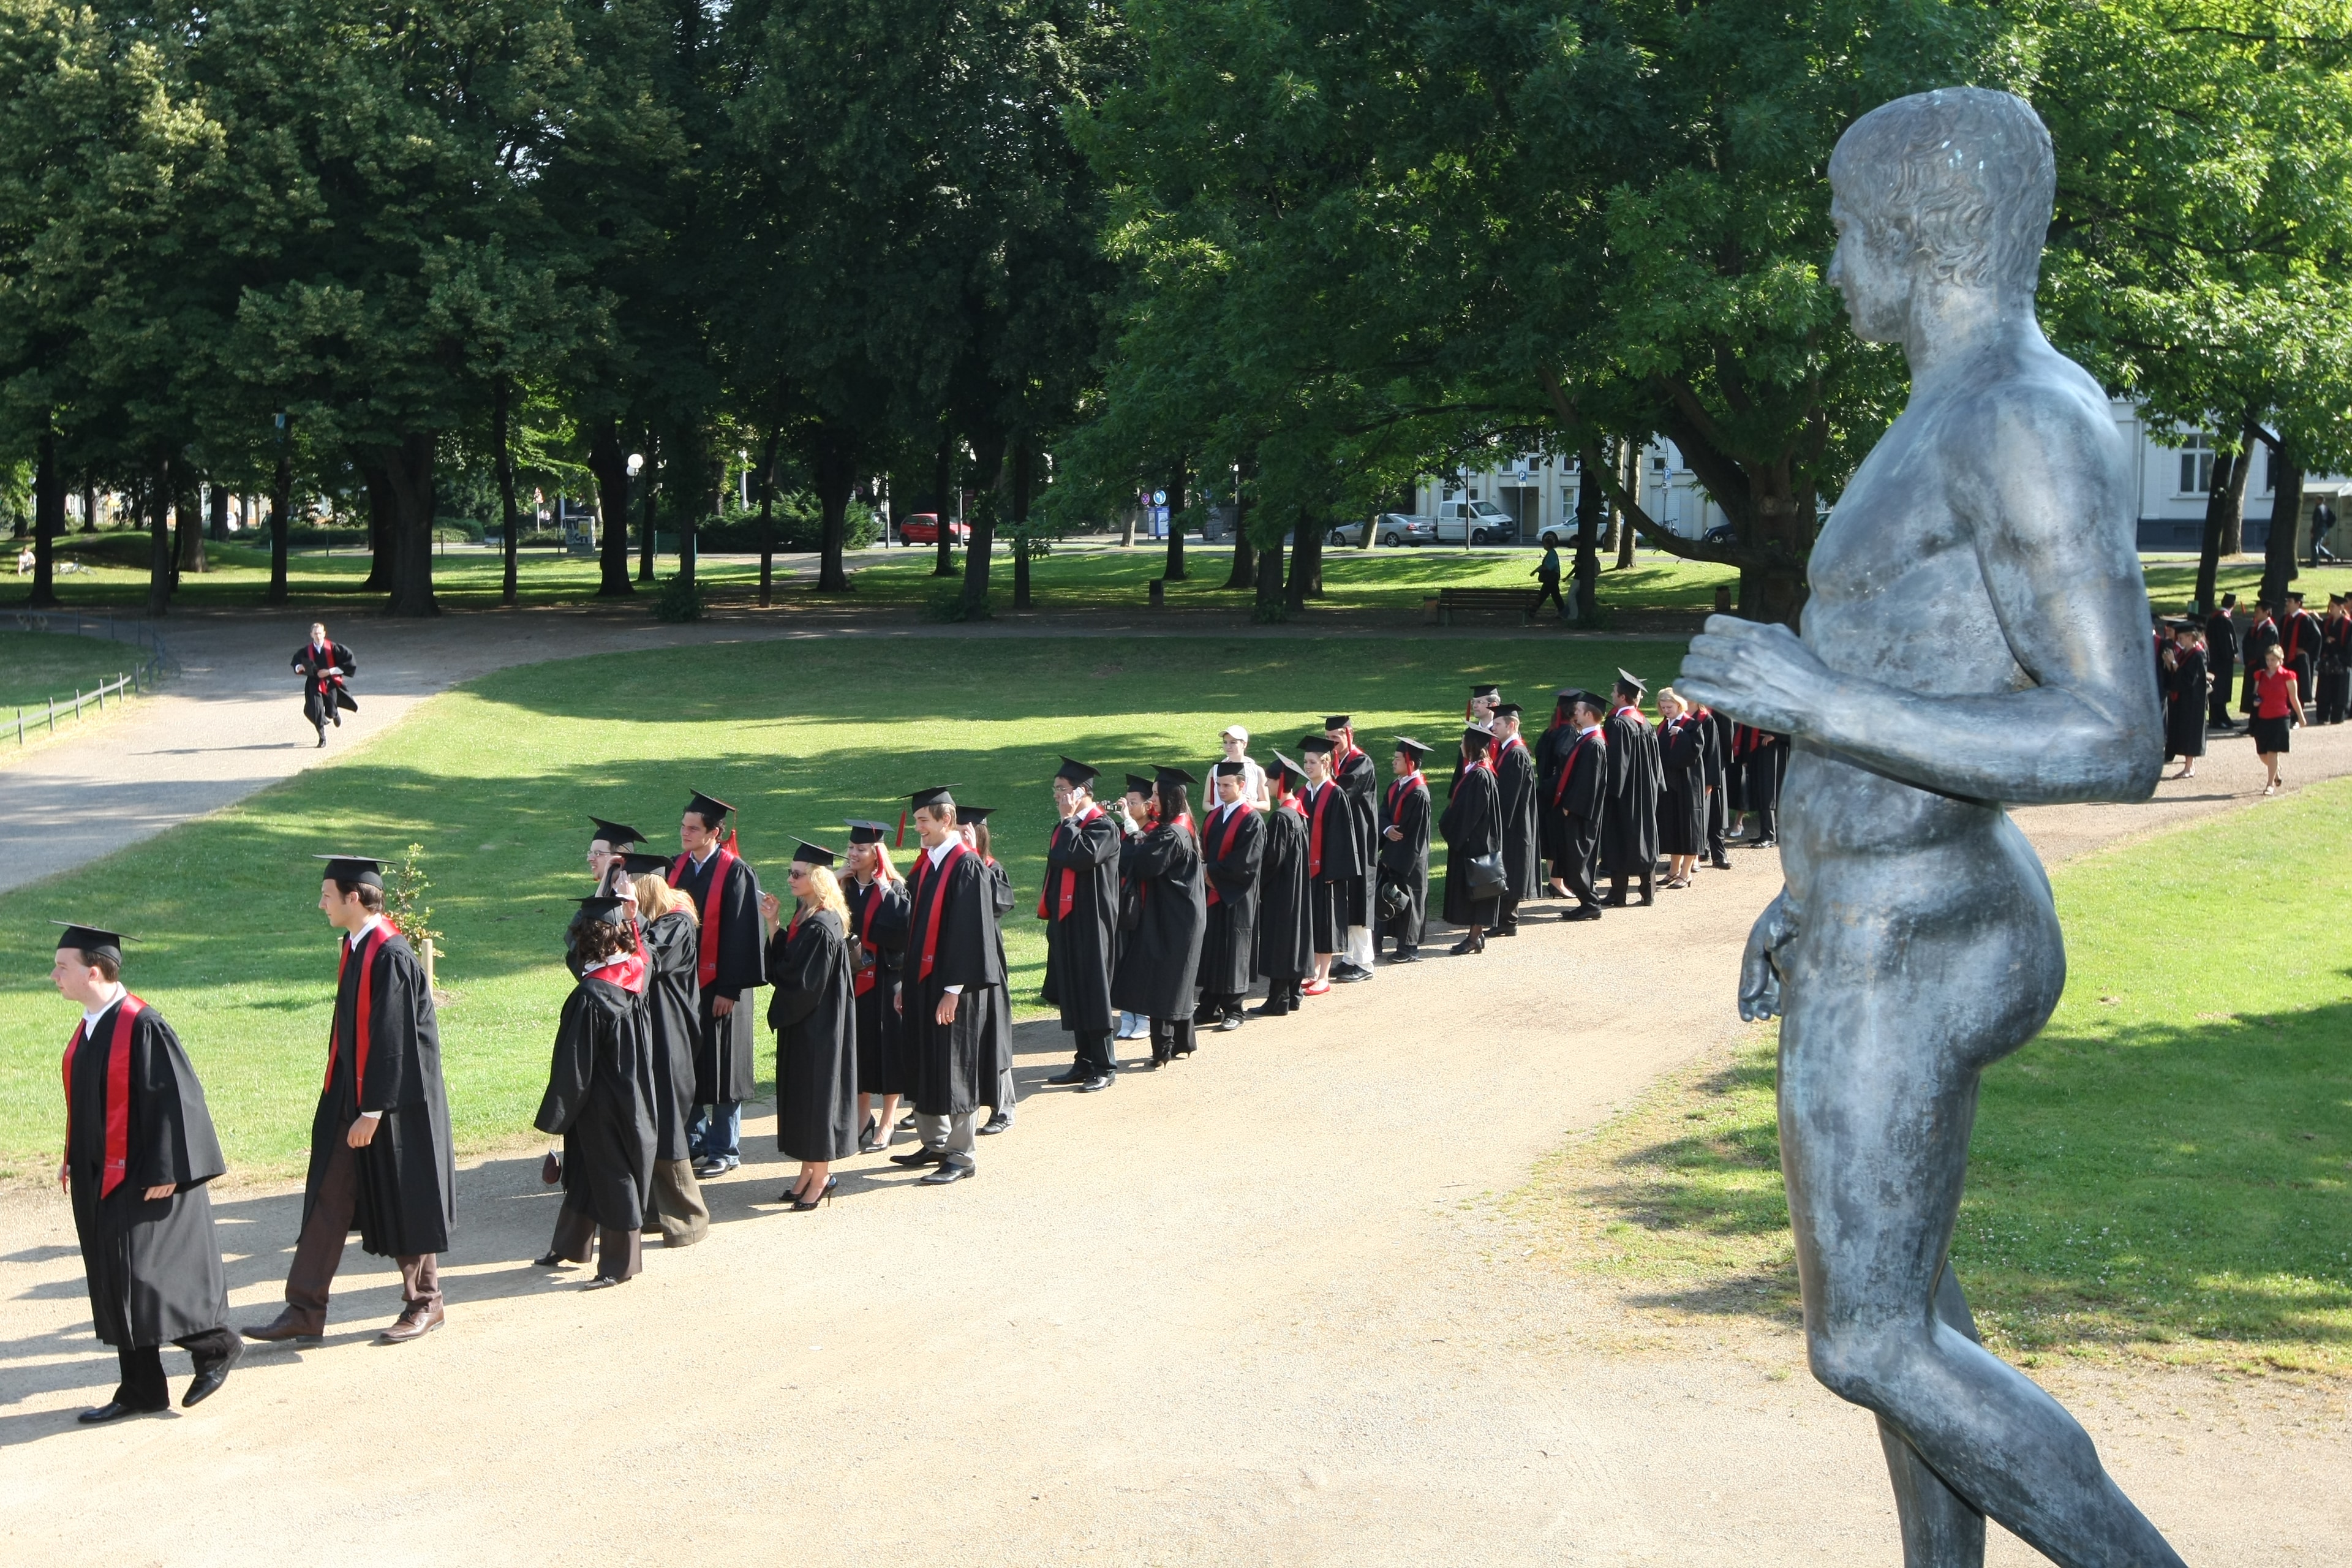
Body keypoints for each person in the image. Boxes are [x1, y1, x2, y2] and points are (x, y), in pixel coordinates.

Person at [1678, 86, 2185, 1562]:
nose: (1833, 266)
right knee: (1913, 1304)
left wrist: (1808, 701)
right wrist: (1805, 879)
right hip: (1868, 910)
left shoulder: (2021, 419)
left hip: (1925, 929)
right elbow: (1934, 655)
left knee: (1872, 1340)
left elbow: (2109, 734)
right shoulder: (1952, 409)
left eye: (1841, 231)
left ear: (1913, 233)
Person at [246, 856, 454, 1346]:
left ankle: (427, 1301)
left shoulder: (392, 955)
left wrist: (372, 1111)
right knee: (328, 1197)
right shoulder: (356, 945)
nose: (321, 904)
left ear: (353, 898)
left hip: (394, 1103)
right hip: (352, 1093)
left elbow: (393, 1039)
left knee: (406, 1197)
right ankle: (304, 1308)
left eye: (327, 895)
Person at [53, 921, 239, 1422]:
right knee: (115, 1278)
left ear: (93, 971)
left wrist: (170, 1169)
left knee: (146, 1277)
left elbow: (177, 1102)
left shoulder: (142, 1025)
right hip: (101, 1173)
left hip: (146, 1176)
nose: (54, 975)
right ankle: (140, 1388)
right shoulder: (92, 1024)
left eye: (62, 967)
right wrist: (75, 1150)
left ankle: (216, 1345)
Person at [532, 897, 657, 1287]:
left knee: (611, 1171)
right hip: (631, 1088)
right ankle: (571, 1244)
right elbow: (644, 951)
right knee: (585, 1167)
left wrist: (558, 1112)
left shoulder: (591, 997)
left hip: (602, 1098)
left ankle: (620, 1264)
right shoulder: (634, 971)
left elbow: (576, 1062)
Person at [888, 788, 1003, 1185]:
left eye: (923, 820)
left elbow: (969, 934)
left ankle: (961, 1155)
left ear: (946, 820)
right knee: (924, 1060)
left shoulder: (965, 866)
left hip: (956, 988)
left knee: (955, 1067)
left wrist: (953, 990)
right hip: (923, 982)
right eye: (917, 820)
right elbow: (914, 930)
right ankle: (935, 1143)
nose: (917, 827)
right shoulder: (929, 865)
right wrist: (906, 983)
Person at [666, 791, 766, 1178]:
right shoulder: (675, 870)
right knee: (685, 1062)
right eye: (683, 826)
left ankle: (725, 1148)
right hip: (683, 989)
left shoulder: (736, 871)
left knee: (724, 1068)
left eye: (693, 828)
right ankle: (694, 1142)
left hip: (725, 989)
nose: (685, 833)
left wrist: (729, 989)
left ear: (715, 833)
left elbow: (743, 935)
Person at [760, 843, 859, 1210]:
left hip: (820, 1027)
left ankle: (821, 1178)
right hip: (807, 1023)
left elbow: (800, 981)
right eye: (790, 872)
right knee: (803, 1097)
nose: (790, 879)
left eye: (797, 874)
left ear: (818, 878)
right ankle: (807, 1172)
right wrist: (773, 922)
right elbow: (785, 961)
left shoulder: (823, 923)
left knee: (817, 1099)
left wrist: (781, 1007)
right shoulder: (807, 915)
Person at [622, 851, 709, 1246]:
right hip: (651, 1032)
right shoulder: (661, 919)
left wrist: (632, 915)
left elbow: (648, 959)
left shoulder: (677, 922)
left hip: (672, 1037)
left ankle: (689, 1219)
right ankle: (653, 1213)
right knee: (649, 1122)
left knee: (669, 1125)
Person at [1113, 767, 1208, 1066]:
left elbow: (1145, 864)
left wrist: (1124, 844)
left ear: (1170, 797)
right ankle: (1182, 1042)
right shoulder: (1183, 826)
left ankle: (1163, 1049)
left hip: (1174, 919)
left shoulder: (1172, 833)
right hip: (1179, 914)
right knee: (1176, 981)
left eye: (1156, 794)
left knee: (1163, 982)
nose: (1152, 799)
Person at [1040, 758, 1121, 1092]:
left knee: (1095, 992)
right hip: (1067, 920)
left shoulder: (1104, 827)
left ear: (1082, 792)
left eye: (1062, 790)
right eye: (1056, 790)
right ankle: (1083, 1060)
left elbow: (1081, 856)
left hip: (1094, 921)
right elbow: (1057, 863)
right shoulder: (1064, 827)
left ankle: (1104, 1064)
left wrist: (1069, 822)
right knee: (1074, 989)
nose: (1058, 796)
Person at [840, 822, 911, 1150]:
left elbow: (901, 935)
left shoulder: (895, 888)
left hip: (885, 981)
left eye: (860, 849)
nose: (853, 854)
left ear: (876, 853)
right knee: (859, 1048)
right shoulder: (844, 886)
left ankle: (888, 1120)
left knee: (890, 1051)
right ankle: (863, 1116)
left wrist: (884, 893)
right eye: (851, 848)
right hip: (852, 982)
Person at [959, 807, 1021, 1131]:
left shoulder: (991, 869)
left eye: (963, 832)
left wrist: (973, 860)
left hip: (988, 963)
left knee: (994, 1034)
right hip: (958, 963)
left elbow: (996, 906)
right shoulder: (949, 868)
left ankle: (1004, 1108)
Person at [1195, 760, 1266, 1025]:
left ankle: (1234, 1009)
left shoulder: (1251, 818)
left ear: (1241, 785)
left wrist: (1211, 874)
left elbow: (1247, 862)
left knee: (1235, 951)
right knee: (1212, 949)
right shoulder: (1214, 816)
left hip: (1238, 896)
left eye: (1227, 785)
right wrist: (1205, 871)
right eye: (1218, 785)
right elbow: (1200, 848)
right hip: (1213, 895)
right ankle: (1208, 1005)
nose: (1221, 790)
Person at [1295, 737, 1363, 995]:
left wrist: (1333, 872)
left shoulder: (1334, 794)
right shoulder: (1303, 794)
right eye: (1305, 762)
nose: (1308, 766)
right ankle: (1311, 971)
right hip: (1307, 870)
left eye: (1312, 762)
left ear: (1325, 763)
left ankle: (1324, 976)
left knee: (1325, 923)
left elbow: (1342, 837)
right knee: (1312, 922)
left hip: (1327, 873)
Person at [1253, 752, 1314, 1015]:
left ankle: (1278, 1000)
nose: (1266, 786)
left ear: (1280, 781)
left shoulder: (1281, 818)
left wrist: (1257, 881)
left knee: (1280, 942)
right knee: (1294, 940)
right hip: (1297, 888)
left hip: (1281, 891)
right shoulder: (1298, 814)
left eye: (1269, 780)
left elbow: (1272, 859)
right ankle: (1294, 994)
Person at [1322, 716, 1380, 981]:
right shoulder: (1338, 763)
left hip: (1361, 840)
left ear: (1349, 735)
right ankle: (1350, 957)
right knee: (1347, 898)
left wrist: (1323, 782)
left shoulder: (1361, 762)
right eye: (1329, 738)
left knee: (1359, 899)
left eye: (1337, 737)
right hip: (1346, 841)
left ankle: (1365, 962)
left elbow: (1342, 793)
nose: (1332, 742)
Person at [1438, 725, 1502, 954]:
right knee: (1476, 889)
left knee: (1479, 889)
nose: (1460, 746)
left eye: (1463, 741)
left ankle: (1474, 937)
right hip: (1476, 839)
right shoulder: (1479, 771)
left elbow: (1467, 812)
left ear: (1472, 746)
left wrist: (1447, 824)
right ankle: (1477, 934)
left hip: (1477, 843)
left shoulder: (1480, 775)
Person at [1600, 671, 1662, 905]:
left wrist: (1610, 791)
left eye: (1614, 692)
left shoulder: (1618, 723)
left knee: (1619, 837)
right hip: (1645, 792)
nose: (1611, 695)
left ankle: (1619, 893)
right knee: (1645, 836)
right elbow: (1656, 761)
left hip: (1624, 793)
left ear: (1623, 697)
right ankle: (1648, 892)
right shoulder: (1644, 722)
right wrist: (1657, 787)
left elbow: (1618, 762)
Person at [1549, 692, 1610, 921]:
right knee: (1572, 859)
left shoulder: (1594, 743)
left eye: (1579, 709)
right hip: (1573, 809)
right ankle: (1587, 902)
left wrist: (1571, 807)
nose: (1574, 712)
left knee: (1578, 860)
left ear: (1589, 714)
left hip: (1581, 812)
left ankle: (1591, 903)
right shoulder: (1584, 738)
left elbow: (1588, 782)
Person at [1375, 737, 1432, 961]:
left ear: (1410, 762)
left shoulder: (1419, 793)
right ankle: (1382, 942)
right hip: (1393, 853)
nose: (1393, 762)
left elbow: (1413, 833)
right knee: (1389, 898)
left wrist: (1397, 859)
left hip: (1411, 857)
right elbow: (1382, 815)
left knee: (1411, 900)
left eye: (1398, 759)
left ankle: (1409, 948)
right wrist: (1387, 829)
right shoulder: (1395, 786)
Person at [1112, 772, 1157, 1042]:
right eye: (1126, 801)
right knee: (1124, 959)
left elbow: (1137, 859)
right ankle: (1128, 1015)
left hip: (1145, 904)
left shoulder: (1153, 831)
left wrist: (1131, 831)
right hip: (1123, 903)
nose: (1128, 807)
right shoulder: (1121, 830)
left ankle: (1145, 1016)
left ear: (1147, 805)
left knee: (1142, 961)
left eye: (1133, 802)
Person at [1489, 703, 1539, 934]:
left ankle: (1508, 921)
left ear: (1512, 725)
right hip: (1512, 819)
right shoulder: (1508, 750)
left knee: (1511, 866)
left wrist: (1498, 822)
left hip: (1514, 822)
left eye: (1498, 724)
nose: (1493, 727)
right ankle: (1505, 919)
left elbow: (1510, 794)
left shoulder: (1516, 753)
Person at [1654, 687, 1708, 888]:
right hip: (1669, 783)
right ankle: (1673, 870)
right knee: (1673, 826)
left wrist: (1682, 734)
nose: (1666, 710)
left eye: (1669, 706)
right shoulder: (1662, 726)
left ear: (1679, 705)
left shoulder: (1693, 726)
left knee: (1688, 827)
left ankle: (1686, 873)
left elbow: (1695, 751)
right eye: (1663, 707)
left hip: (1688, 783)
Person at [1534, 692, 1578, 899]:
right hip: (1558, 792)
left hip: (1545, 789)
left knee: (1551, 838)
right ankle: (1558, 882)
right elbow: (1565, 758)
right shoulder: (1569, 732)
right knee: (1560, 838)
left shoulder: (1550, 730)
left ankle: (1555, 881)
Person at [2250, 641, 2307, 794]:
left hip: (2280, 717)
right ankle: (2276, 770)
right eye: (2268, 660)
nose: (2270, 663)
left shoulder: (2288, 676)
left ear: (2280, 660)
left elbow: (2294, 698)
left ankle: (2270, 784)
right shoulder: (2260, 675)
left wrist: (2301, 717)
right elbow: (2256, 695)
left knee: (2272, 751)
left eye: (2273, 660)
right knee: (2262, 753)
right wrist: (2255, 701)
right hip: (2263, 717)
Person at [290, 622, 358, 748]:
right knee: (316, 710)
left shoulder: (333, 648)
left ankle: (335, 714)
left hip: (330, 682)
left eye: (320, 633)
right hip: (314, 683)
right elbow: (296, 663)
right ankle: (322, 737)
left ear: (324, 633)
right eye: (315, 633)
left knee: (330, 712)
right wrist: (299, 667)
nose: (318, 636)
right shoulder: (307, 651)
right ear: (311, 635)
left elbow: (349, 663)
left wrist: (330, 671)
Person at [2161, 621, 2209, 780]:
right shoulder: (2186, 653)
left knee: (2191, 732)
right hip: (2183, 699)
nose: (2179, 641)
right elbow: (2177, 676)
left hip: (2193, 700)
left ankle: (2189, 768)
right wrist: (2169, 664)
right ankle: (2189, 766)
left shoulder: (2198, 654)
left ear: (2190, 637)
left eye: (2181, 638)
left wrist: (2174, 663)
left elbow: (2189, 679)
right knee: (2183, 731)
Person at [1730, 723, 1786, 846]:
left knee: (1768, 792)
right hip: (1757, 748)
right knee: (1760, 791)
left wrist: (1775, 735)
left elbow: (1790, 727)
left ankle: (1769, 835)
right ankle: (1765, 833)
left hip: (1772, 750)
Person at [1696, 696, 1732, 869]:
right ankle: (1700, 851)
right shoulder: (1678, 715)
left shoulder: (1711, 712)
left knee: (1715, 813)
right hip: (1692, 771)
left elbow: (1726, 733)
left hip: (1714, 765)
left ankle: (1719, 854)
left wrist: (1722, 765)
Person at [1208, 725, 1271, 810]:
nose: (1228, 746)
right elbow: (1206, 803)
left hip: (1247, 819)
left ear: (1244, 744)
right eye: (1225, 742)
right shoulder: (1215, 770)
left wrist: (1247, 804)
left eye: (1233, 742)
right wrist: (1222, 812)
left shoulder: (1257, 771)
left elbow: (1266, 805)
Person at [586, 816, 647, 895]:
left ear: (619, 858)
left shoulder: (640, 899)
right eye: (591, 853)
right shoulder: (594, 901)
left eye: (598, 853)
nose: (589, 859)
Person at [2206, 594, 2240, 731]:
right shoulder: (2224, 619)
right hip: (2223, 661)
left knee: (2216, 690)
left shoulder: (2214, 617)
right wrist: (2233, 655)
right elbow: (2228, 640)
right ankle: (2219, 718)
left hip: (2214, 659)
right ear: (2234, 605)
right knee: (2221, 689)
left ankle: (2218, 718)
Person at [2241, 600, 2280, 717]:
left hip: (2262, 666)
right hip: (2253, 665)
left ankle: (2257, 723)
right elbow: (2245, 644)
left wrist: (2253, 656)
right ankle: (2252, 724)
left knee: (2260, 694)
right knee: (2252, 695)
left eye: (2258, 611)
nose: (2255, 614)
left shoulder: (2270, 629)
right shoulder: (2255, 628)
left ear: (2267, 612)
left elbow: (2262, 649)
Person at [2320, 594, 2351, 725]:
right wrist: (2326, 642)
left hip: (2342, 662)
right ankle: (2323, 716)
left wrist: (2336, 646)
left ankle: (2337, 717)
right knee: (2325, 690)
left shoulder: (2348, 625)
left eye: (2333, 606)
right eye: (2330, 606)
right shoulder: (2327, 623)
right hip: (2328, 661)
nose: (2330, 609)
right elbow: (2321, 639)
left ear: (2341, 607)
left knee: (2340, 692)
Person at [1529, 541, 1567, 622]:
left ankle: (1532, 611)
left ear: (1549, 545)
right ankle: (1564, 613)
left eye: (1545, 544)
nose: (1544, 546)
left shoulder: (1552, 554)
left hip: (1551, 578)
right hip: (1553, 578)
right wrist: (1536, 571)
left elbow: (1550, 566)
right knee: (1556, 596)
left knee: (1543, 595)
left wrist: (1539, 570)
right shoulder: (1551, 553)